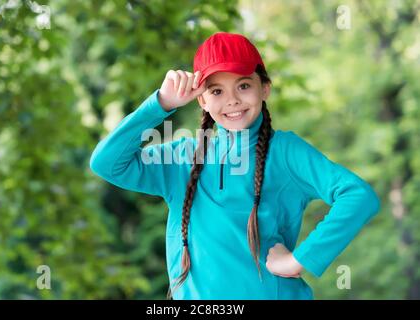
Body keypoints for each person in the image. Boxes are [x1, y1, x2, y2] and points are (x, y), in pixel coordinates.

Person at [89, 32, 381, 300]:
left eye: (243, 85)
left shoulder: (285, 152)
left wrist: (300, 259)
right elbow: (106, 163)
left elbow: (358, 195)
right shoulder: (182, 157)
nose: (232, 101)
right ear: (201, 99)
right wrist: (161, 104)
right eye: (216, 91)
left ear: (264, 88)